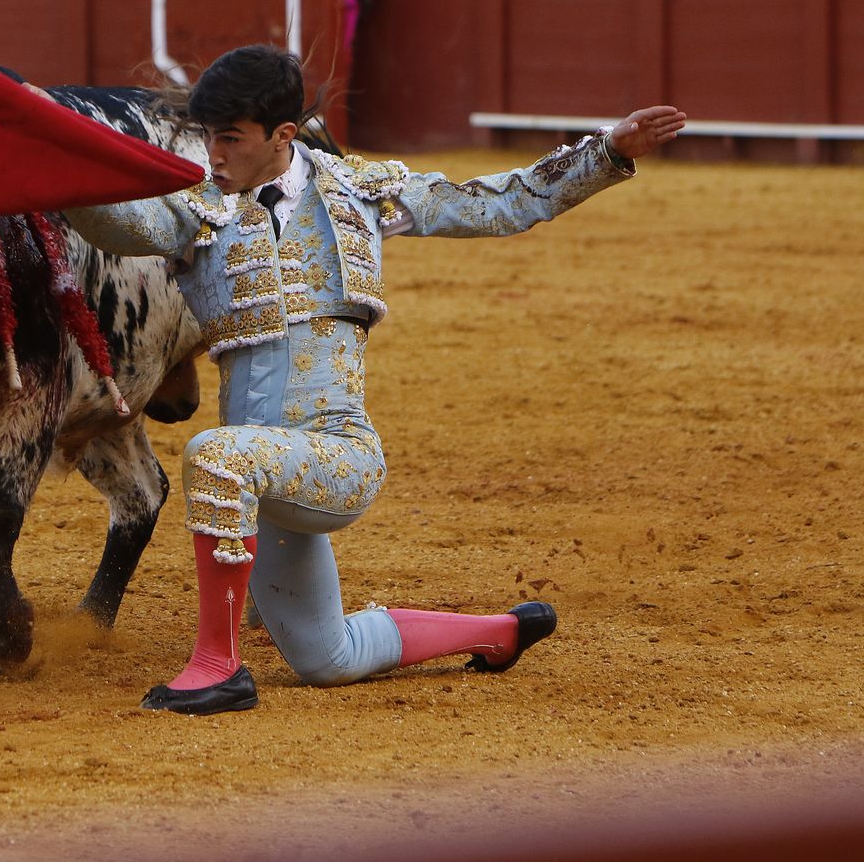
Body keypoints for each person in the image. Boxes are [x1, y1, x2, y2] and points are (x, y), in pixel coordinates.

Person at [60, 45, 685, 714]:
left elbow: (497, 203)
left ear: (282, 136)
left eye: (230, 139)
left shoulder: (360, 191)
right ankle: (498, 632)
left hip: (338, 455)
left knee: (215, 454)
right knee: (329, 656)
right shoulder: (200, 211)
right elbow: (124, 221)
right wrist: (54, 172)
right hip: (261, 486)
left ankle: (218, 665)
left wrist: (607, 151)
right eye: (209, 136)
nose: (213, 154)